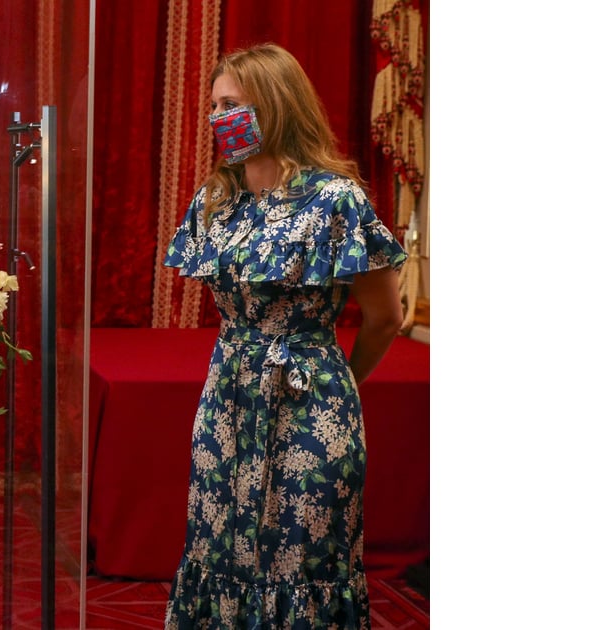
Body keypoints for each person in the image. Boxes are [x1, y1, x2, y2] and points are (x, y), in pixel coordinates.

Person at [162, 43, 407, 629]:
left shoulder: (335, 199)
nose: (219, 118)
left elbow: (385, 317)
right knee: (219, 544)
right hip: (227, 398)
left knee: (303, 553)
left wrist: (338, 386)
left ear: (274, 105)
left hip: (310, 401)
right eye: (215, 106)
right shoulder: (216, 200)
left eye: (233, 105)